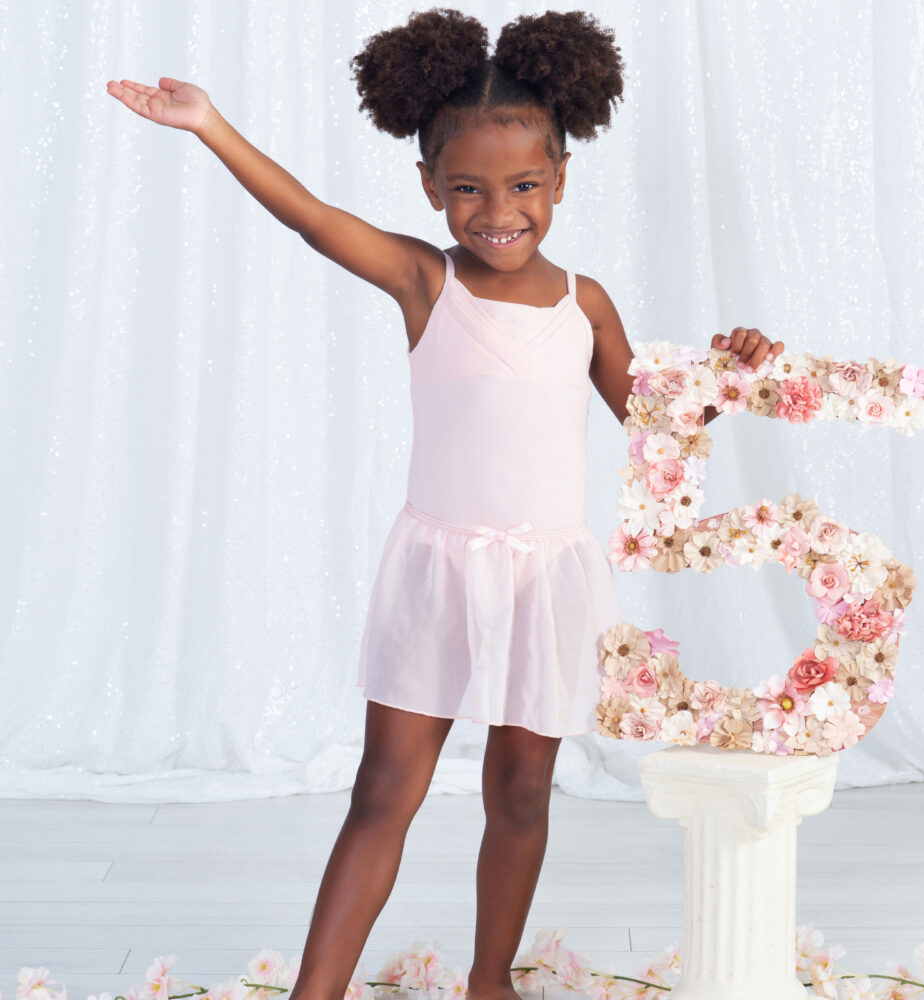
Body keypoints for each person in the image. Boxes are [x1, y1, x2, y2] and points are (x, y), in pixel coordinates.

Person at [106, 9, 784, 1000]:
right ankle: (316, 991)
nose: (495, 209)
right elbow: (308, 214)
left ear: (559, 179)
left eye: (521, 186)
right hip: (440, 568)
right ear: (429, 186)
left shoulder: (584, 303)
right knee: (384, 789)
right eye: (466, 188)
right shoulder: (428, 283)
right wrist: (210, 124)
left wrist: (727, 372)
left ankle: (488, 979)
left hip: (547, 576)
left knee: (520, 791)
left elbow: (653, 416)